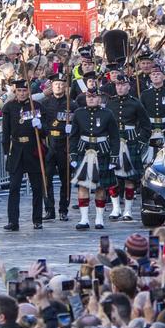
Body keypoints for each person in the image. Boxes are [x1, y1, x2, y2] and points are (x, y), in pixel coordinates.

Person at [70, 85, 119, 230]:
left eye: (93, 97)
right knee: (83, 185)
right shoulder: (78, 113)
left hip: (102, 153)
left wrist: (114, 157)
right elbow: (73, 136)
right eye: (88, 97)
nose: (91, 99)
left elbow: (115, 137)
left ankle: (99, 218)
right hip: (83, 152)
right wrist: (72, 155)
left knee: (100, 187)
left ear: (99, 98)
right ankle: (84, 219)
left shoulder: (107, 114)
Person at [0, 79, 46, 231]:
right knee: (14, 187)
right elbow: (5, 132)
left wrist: (39, 126)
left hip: (33, 149)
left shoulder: (36, 106)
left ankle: (37, 219)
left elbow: (44, 131)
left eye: (24, 91)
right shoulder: (9, 107)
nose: (22, 93)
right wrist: (6, 152)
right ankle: (13, 221)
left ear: (29, 92)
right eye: (19, 91)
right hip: (16, 149)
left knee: (37, 187)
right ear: (15, 92)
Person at [105, 72, 149, 222]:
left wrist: (141, 142)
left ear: (128, 86)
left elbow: (146, 126)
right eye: (118, 85)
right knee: (113, 177)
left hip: (130, 142)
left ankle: (128, 210)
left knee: (130, 178)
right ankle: (116, 208)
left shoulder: (136, 103)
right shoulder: (110, 103)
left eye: (123, 85)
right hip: (114, 143)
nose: (120, 87)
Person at [38, 73, 73, 221]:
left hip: (64, 143)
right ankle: (49, 209)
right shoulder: (45, 104)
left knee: (66, 179)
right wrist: (42, 128)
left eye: (61, 84)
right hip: (49, 142)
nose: (58, 86)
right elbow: (42, 121)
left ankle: (63, 209)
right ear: (51, 86)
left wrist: (71, 128)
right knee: (47, 178)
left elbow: (76, 121)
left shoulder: (72, 104)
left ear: (65, 86)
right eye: (56, 84)